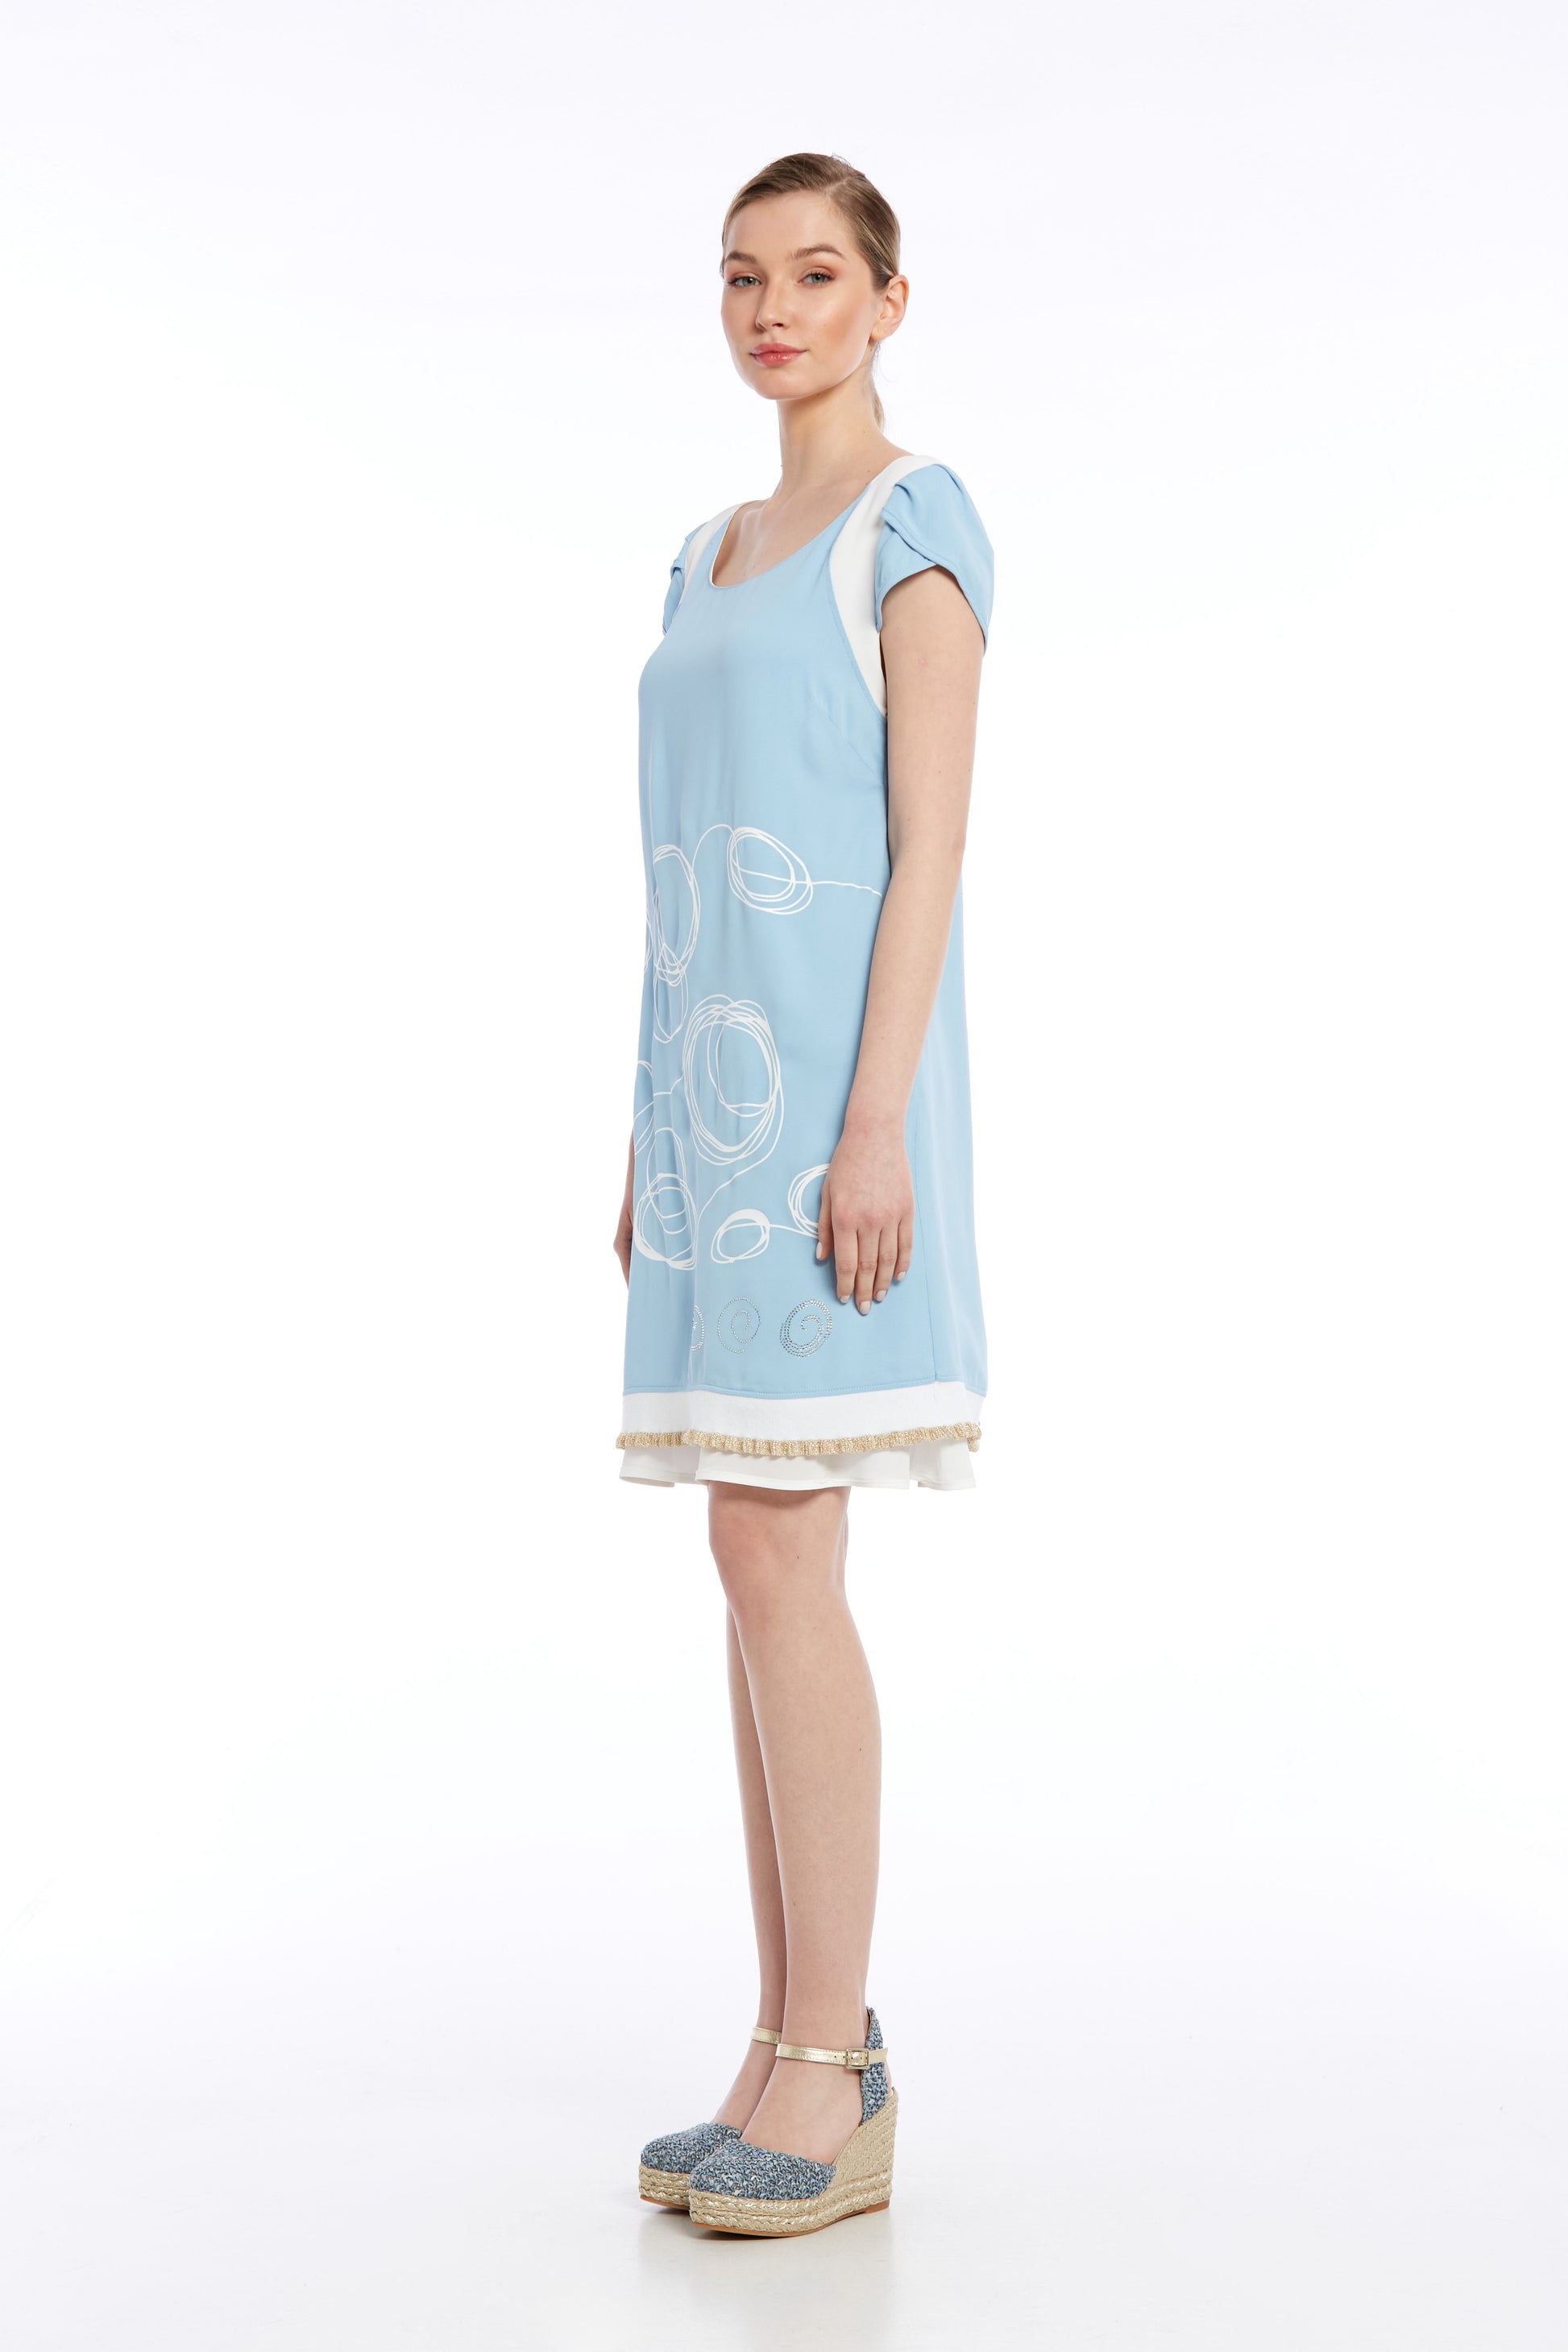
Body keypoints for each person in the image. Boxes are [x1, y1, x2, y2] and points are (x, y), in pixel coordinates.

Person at [613, 151, 993, 2238]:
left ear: (886, 301)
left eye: (817, 273)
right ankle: (782, 2042)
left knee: (783, 1549)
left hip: (834, 1124)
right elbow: (685, 873)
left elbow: (926, 851)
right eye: (744, 275)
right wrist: (643, 1136)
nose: (776, 308)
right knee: (746, 1559)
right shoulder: (705, 553)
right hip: (706, 1121)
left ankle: (836, 2069)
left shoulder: (909, 528)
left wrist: (875, 1129)